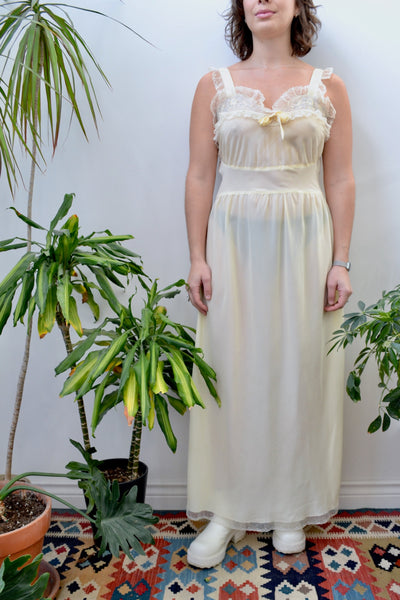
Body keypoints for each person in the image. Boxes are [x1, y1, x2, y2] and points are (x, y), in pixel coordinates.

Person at [184, 0, 355, 569]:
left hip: (307, 247)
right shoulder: (214, 86)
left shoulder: (329, 88)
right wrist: (196, 256)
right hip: (232, 248)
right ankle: (227, 509)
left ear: (299, 5)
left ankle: (289, 507)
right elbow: (200, 175)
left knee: (298, 371)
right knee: (232, 371)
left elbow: (341, 178)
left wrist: (341, 261)